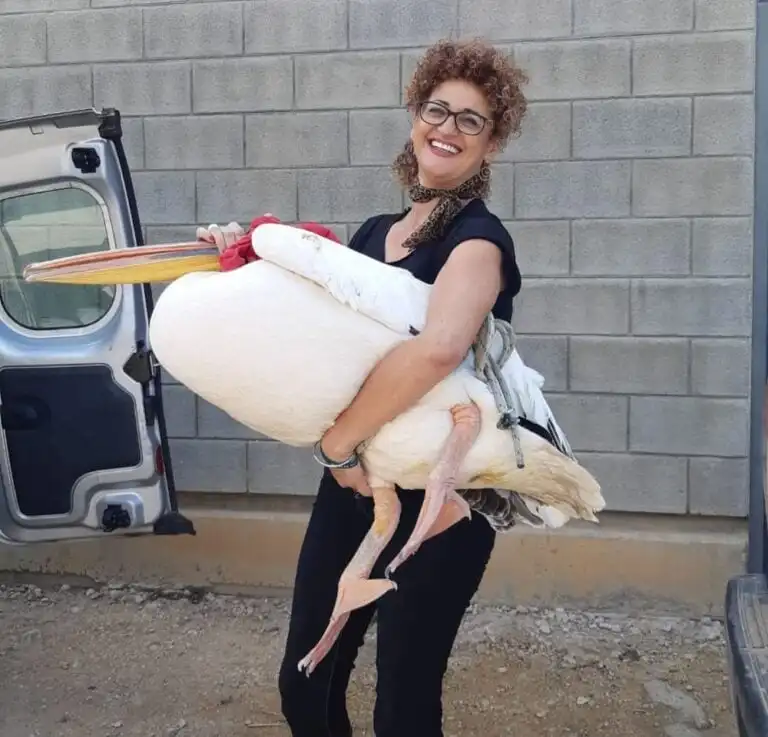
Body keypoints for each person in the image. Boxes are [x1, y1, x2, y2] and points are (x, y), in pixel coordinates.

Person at [274, 38, 528, 737]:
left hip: (440, 507)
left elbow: (438, 348)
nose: (447, 128)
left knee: (404, 709)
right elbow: (318, 327)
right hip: (351, 492)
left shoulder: (479, 241)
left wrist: (339, 444)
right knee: (305, 685)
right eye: (436, 109)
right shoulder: (373, 234)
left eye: (471, 120)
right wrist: (241, 249)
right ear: (414, 115)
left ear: (491, 144)